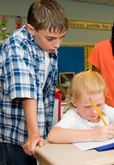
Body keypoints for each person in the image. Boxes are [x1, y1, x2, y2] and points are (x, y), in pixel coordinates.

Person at [0, 0, 68, 164]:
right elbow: (27, 91)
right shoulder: (17, 44)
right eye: (51, 38)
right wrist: (33, 134)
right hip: (14, 135)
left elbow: (45, 92)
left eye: (61, 37)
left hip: (36, 131)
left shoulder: (48, 46)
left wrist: (41, 132)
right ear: (31, 29)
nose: (57, 44)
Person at [48, 70, 114, 143]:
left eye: (99, 105)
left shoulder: (106, 110)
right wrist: (93, 135)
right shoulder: (74, 115)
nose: (94, 111)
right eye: (87, 107)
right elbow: (53, 135)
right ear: (74, 102)